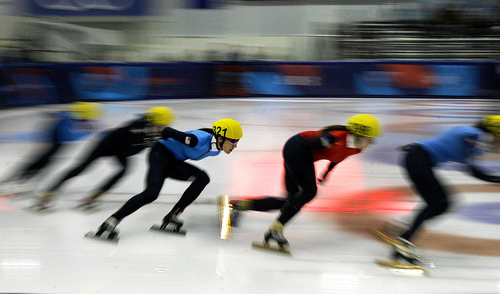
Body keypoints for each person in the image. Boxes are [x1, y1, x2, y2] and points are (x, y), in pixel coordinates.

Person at [230, 114, 382, 251]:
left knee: (289, 203)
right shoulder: (335, 136)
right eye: (369, 140)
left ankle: (240, 206)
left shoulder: (356, 148)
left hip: (300, 154)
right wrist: (323, 141)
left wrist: (326, 173)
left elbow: (337, 159)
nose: (370, 144)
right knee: (309, 192)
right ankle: (276, 229)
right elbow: (308, 147)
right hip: (296, 149)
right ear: (359, 134)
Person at [90, 118, 243, 240]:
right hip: (160, 154)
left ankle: (173, 215)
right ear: (221, 137)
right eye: (233, 141)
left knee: (202, 178)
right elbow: (168, 131)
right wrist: (155, 133)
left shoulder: (216, 149)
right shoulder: (197, 139)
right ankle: (111, 221)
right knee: (151, 194)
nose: (235, 145)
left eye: (237, 141)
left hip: (174, 161)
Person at [382, 115, 500, 267]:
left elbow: (475, 172)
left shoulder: (473, 146)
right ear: (493, 133)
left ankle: (407, 231)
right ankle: (404, 242)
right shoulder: (472, 134)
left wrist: (496, 179)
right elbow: (462, 133)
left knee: (444, 204)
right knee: (436, 202)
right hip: (418, 159)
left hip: (419, 160)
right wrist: (480, 139)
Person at [35, 107, 176, 209]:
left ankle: (96, 195)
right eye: (162, 124)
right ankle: (50, 191)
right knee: (82, 167)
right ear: (155, 120)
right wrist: (146, 143)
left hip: (120, 149)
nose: (163, 127)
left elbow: (136, 147)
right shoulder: (138, 126)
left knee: (123, 171)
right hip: (105, 145)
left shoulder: (150, 128)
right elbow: (133, 145)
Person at [0, 102, 102, 194]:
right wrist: (89, 131)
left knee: (41, 162)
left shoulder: (68, 119)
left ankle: (20, 179)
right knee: (40, 162)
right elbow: (68, 136)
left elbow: (68, 133)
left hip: (54, 144)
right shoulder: (66, 121)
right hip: (54, 144)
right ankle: (19, 179)